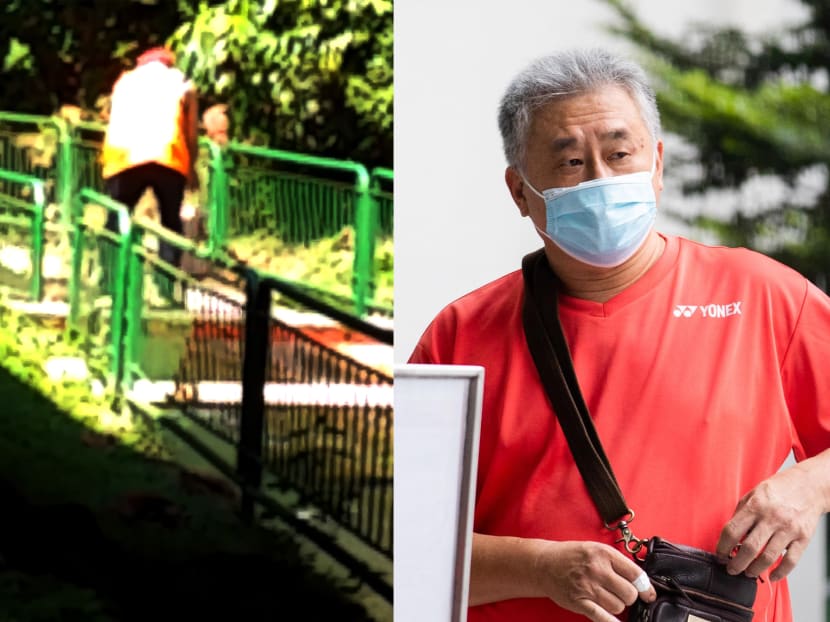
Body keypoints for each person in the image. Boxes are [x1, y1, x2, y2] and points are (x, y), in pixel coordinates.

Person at [408, 48, 830, 622]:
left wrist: (810, 485)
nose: (601, 178)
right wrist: (539, 569)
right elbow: (405, 543)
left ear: (656, 163)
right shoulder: (460, 336)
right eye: (571, 163)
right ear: (519, 191)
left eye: (619, 152)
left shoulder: (765, 297)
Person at [101, 46, 199, 268]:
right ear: (168, 63)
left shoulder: (124, 81)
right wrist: (191, 169)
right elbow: (191, 133)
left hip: (124, 157)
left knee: (117, 217)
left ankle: (109, 280)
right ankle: (165, 285)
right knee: (170, 223)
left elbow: (112, 118)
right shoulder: (181, 82)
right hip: (168, 155)